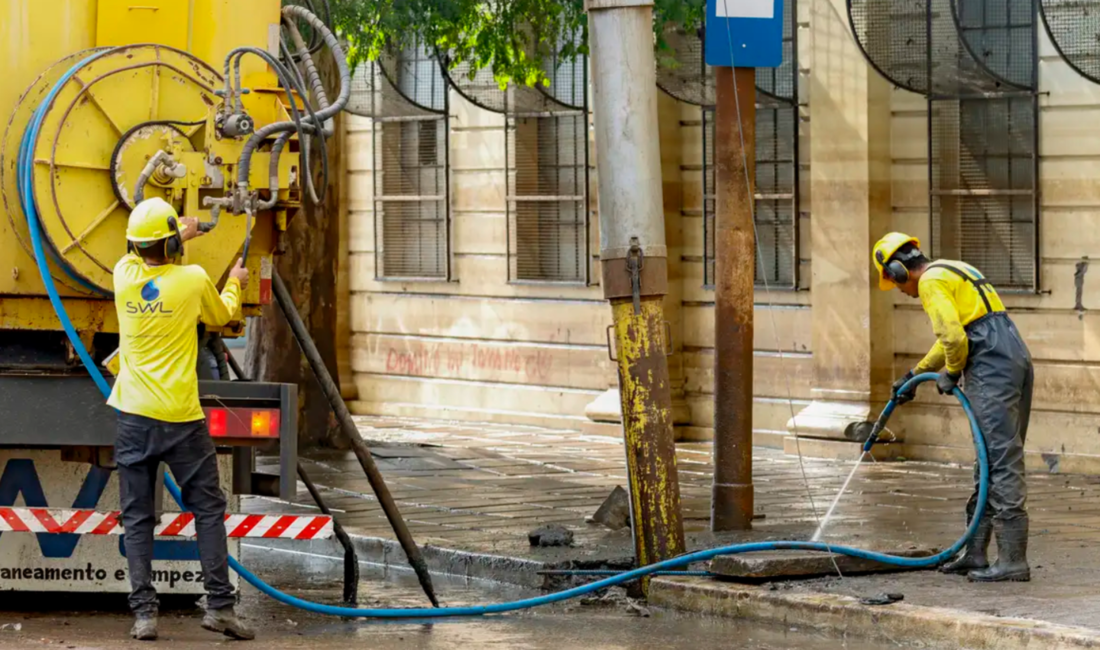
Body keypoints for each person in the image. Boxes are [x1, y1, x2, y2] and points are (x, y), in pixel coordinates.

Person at [107, 197, 255, 640]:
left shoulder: (123, 277)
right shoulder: (192, 281)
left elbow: (137, 254)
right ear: (172, 244)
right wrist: (235, 282)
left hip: (134, 417)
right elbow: (222, 314)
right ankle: (220, 608)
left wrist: (173, 234)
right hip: (183, 419)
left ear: (135, 245)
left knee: (137, 518)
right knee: (208, 510)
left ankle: (145, 616)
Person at [873, 232, 1034, 583]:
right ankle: (975, 553)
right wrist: (915, 374)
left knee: (1000, 459)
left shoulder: (929, 283)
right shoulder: (953, 268)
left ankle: (1012, 560)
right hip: (1010, 350)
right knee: (991, 457)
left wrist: (952, 370)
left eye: (894, 282)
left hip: (990, 360)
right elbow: (957, 333)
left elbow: (955, 340)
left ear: (899, 271)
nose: (899, 290)